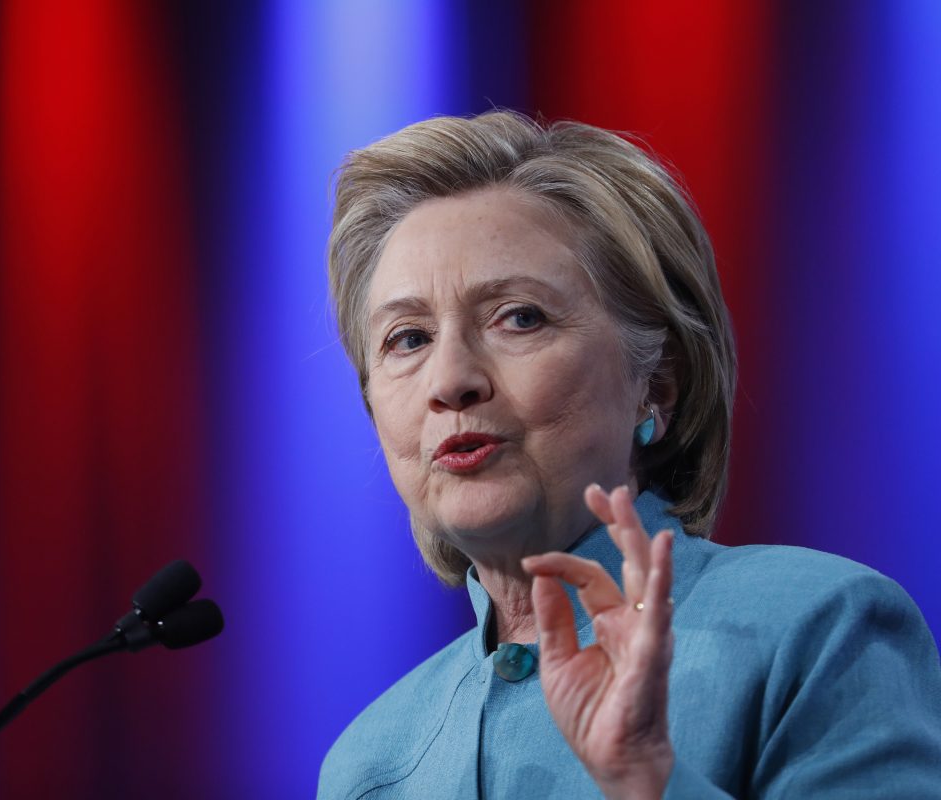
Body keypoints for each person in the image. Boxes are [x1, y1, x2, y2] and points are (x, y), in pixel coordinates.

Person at [317, 111, 941, 799]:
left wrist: (652, 782)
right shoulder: (368, 764)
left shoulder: (818, 629)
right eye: (407, 339)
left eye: (519, 317)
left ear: (657, 384)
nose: (450, 380)